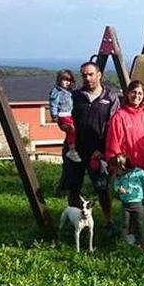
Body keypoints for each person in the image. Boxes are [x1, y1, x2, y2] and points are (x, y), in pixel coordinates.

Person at [60, 62, 120, 232]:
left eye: (90, 74)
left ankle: (108, 222)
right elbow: (64, 118)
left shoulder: (111, 97)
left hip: (98, 154)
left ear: (99, 75)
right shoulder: (74, 96)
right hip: (75, 152)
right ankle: (76, 222)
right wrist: (63, 125)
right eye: (84, 75)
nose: (87, 78)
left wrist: (103, 151)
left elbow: (113, 127)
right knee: (73, 188)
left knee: (102, 188)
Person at [105, 79, 144, 240]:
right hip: (130, 170)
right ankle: (131, 234)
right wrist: (117, 164)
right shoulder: (119, 116)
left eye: (139, 93)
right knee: (132, 203)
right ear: (127, 94)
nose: (136, 96)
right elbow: (114, 142)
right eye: (133, 92)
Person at [110, 153, 144, 248]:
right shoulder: (119, 176)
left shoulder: (139, 172)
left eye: (116, 169)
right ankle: (125, 243)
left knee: (139, 223)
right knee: (125, 224)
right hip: (126, 204)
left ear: (122, 166)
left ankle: (142, 243)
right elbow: (116, 185)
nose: (115, 172)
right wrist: (118, 189)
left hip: (137, 203)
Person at [49, 69, 81, 162]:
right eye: (65, 80)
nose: (67, 83)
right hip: (63, 115)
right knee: (72, 129)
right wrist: (54, 115)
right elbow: (53, 104)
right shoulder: (57, 91)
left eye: (69, 80)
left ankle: (74, 146)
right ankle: (71, 150)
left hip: (70, 114)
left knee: (75, 130)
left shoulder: (71, 91)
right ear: (59, 80)